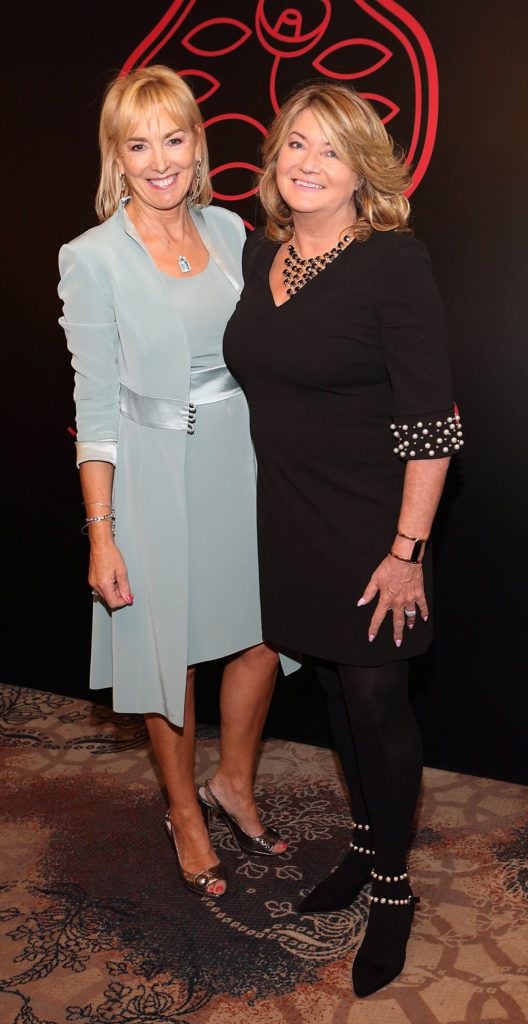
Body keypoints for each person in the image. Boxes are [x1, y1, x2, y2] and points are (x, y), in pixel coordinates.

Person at [223, 81, 463, 995]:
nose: (307, 162)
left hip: (373, 525)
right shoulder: (261, 260)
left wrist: (406, 553)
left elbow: (432, 423)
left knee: (375, 704)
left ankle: (394, 889)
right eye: (294, 144)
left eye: (329, 148)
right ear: (275, 162)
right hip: (288, 515)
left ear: (365, 168)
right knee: (328, 686)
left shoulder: (394, 265)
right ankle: (364, 848)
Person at [58, 65, 290, 901]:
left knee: (266, 631)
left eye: (175, 137)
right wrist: (102, 530)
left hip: (248, 459)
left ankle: (232, 780)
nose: (160, 160)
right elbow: (94, 405)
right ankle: (185, 816)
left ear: (199, 142)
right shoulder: (91, 258)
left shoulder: (232, 233)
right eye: (139, 143)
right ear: (117, 159)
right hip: (155, 473)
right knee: (171, 654)